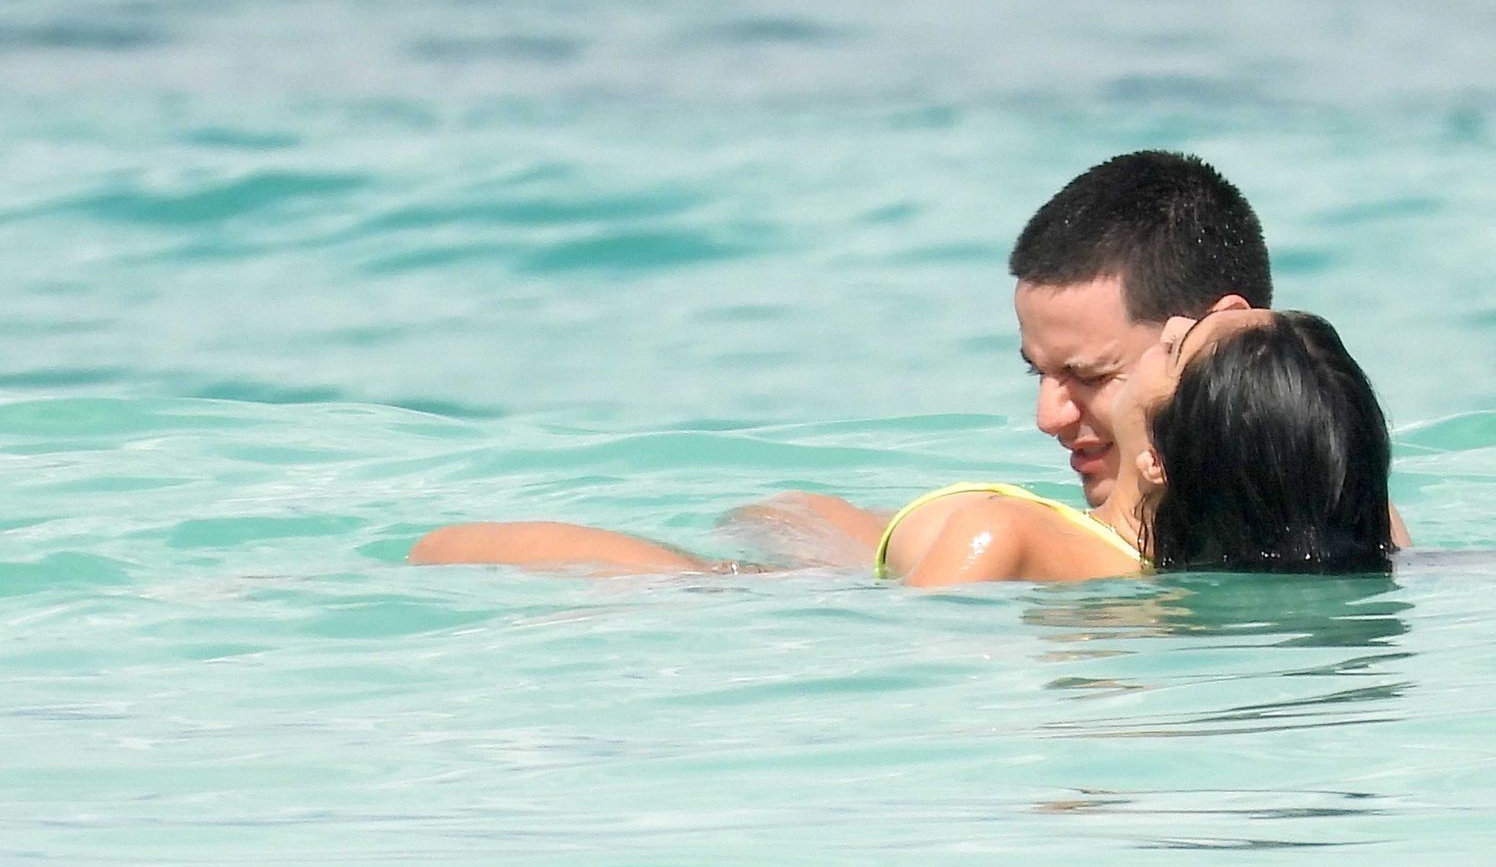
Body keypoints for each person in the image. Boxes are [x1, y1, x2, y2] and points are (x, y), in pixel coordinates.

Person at [410, 308, 1397, 585]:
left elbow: (906, 662)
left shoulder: (1005, 538)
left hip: (765, 585)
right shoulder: (1358, 525)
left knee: (439, 547)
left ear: (1163, 460)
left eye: (1175, 349)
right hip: (840, 537)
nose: (1180, 320)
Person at [744, 150, 1407, 559]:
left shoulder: (1007, 539)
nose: (1048, 418)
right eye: (1038, 373)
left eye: (1090, 374)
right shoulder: (1350, 526)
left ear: (1226, 327)